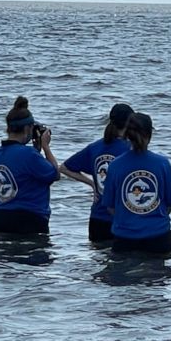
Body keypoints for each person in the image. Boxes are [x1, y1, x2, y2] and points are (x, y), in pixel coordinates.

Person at [101, 112, 171, 255]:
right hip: (158, 238)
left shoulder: (115, 165)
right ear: (150, 133)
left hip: (124, 239)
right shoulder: (162, 163)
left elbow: (110, 207)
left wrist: (129, 219)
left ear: (127, 134)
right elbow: (170, 203)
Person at [59, 103, 134, 241]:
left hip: (97, 218)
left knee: (99, 260)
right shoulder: (130, 150)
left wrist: (93, 184)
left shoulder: (95, 148)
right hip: (121, 219)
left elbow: (64, 168)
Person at [0, 96, 60, 234]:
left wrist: (36, 150)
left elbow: (22, 174)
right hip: (28, 218)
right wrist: (45, 147)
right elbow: (55, 174)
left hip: (0, 216)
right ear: (28, 128)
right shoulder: (29, 155)